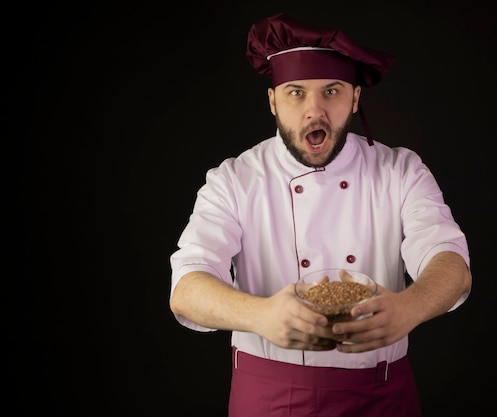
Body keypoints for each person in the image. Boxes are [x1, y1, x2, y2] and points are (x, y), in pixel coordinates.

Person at [169, 12, 472, 417]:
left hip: (382, 397)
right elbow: (186, 289)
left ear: (356, 98)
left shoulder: (401, 171)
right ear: (273, 100)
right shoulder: (233, 180)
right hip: (269, 397)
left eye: (331, 92)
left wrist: (409, 308)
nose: (315, 112)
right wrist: (260, 316)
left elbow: (450, 261)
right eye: (296, 93)